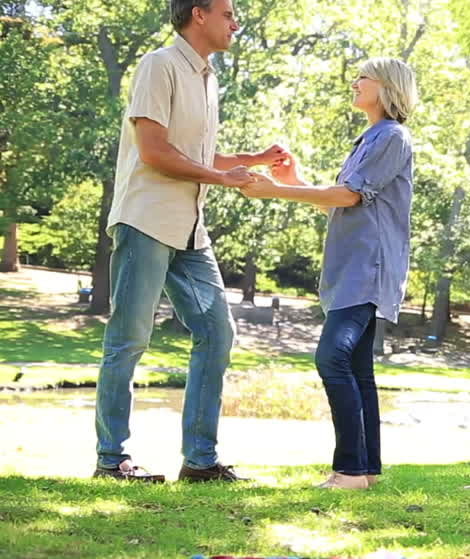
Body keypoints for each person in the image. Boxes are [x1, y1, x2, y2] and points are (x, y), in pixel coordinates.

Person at [94, 0, 286, 483]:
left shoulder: (207, 77)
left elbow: (198, 154)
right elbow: (155, 152)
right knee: (129, 339)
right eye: (229, 14)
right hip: (146, 221)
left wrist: (253, 159)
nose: (236, 23)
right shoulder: (159, 66)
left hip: (189, 230)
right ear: (198, 14)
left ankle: (200, 462)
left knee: (217, 332)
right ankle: (110, 459)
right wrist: (225, 180)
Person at [240, 57, 417, 490]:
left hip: (366, 269)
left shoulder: (391, 135)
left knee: (331, 358)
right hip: (353, 270)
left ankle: (350, 471)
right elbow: (339, 200)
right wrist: (295, 178)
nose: (354, 82)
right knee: (357, 370)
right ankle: (366, 471)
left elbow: (350, 196)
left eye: (363, 77)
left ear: (386, 86)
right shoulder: (371, 138)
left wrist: (279, 190)